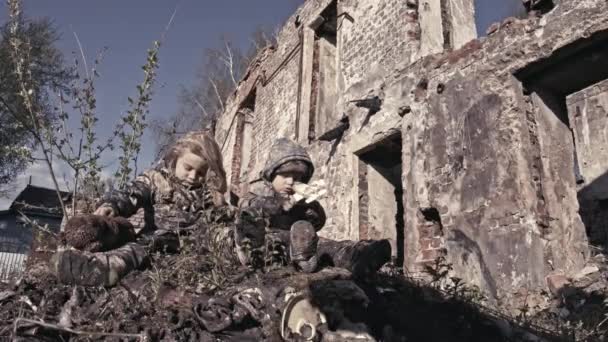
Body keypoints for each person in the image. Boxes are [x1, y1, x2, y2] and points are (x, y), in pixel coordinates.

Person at [52, 131, 231, 286]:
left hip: (173, 247)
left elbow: (220, 222)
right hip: (143, 235)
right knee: (123, 242)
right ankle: (80, 256)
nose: (193, 176)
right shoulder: (158, 180)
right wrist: (113, 204)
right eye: (188, 168)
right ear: (176, 159)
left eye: (200, 173)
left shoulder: (209, 198)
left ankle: (96, 269)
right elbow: (134, 191)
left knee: (137, 255)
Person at [235, 138, 391, 276]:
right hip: (265, 245)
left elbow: (318, 223)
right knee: (278, 239)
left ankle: (355, 255)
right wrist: (281, 205)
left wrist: (310, 206)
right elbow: (249, 210)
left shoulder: (299, 200)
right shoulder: (257, 194)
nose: (290, 181)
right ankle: (299, 259)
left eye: (297, 178)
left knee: (326, 245)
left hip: (302, 243)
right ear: (271, 175)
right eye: (285, 175)